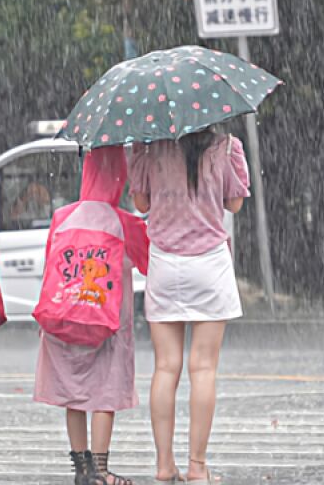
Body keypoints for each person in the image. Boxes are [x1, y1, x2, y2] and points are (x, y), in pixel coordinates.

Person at [128, 129, 250, 485]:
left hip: (165, 263)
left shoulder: (150, 147)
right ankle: (197, 467)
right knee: (204, 369)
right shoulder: (227, 145)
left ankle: (164, 466)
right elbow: (235, 203)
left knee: (166, 368)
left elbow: (141, 204)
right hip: (210, 265)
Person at [34, 147, 150, 485]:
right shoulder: (123, 221)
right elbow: (147, 262)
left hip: (63, 317)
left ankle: (82, 470)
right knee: (104, 393)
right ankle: (101, 471)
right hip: (107, 322)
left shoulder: (62, 215)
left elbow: (50, 266)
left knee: (74, 392)